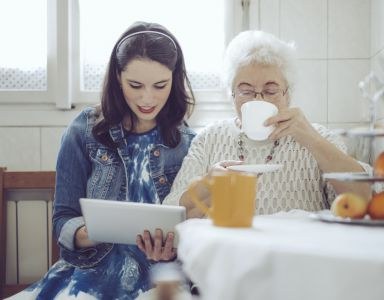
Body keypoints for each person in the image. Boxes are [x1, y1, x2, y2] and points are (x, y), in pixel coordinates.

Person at [9, 21, 195, 299]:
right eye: (135, 85)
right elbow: (62, 219)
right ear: (118, 77)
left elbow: (194, 231)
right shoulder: (84, 130)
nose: (147, 98)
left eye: (160, 85)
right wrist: (90, 232)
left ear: (175, 78)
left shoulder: (189, 142)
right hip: (91, 274)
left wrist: (173, 248)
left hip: (160, 280)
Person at [162, 30, 372, 218]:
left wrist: (312, 139)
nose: (258, 100)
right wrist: (207, 185)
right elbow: (172, 213)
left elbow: (366, 199)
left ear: (287, 94)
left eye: (270, 91)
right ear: (232, 95)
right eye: (246, 91)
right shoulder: (210, 138)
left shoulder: (316, 136)